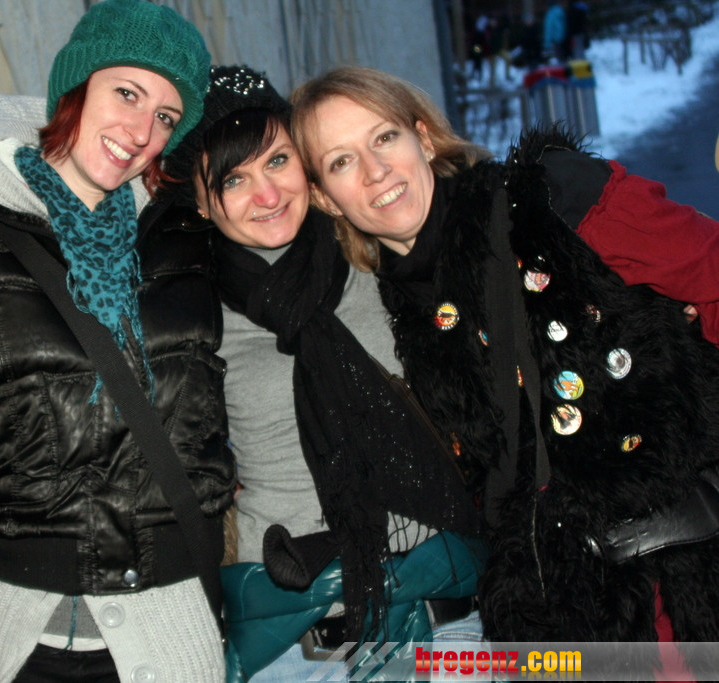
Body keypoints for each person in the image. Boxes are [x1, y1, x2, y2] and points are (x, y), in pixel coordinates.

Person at [290, 65, 719, 644]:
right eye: (342, 161)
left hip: (688, 578)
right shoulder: (393, 311)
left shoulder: (549, 201)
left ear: (423, 137)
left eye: (385, 137)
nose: (375, 171)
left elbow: (710, 270)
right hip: (562, 617)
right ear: (325, 198)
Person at [0, 2, 235, 681]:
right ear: (76, 85)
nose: (140, 131)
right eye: (127, 93)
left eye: (165, 116)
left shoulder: (184, 233)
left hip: (170, 618)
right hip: (15, 625)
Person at [149, 65, 486, 681]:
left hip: (444, 614)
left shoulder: (377, 255)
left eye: (277, 161)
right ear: (197, 200)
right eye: (233, 179)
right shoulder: (186, 318)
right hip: (292, 632)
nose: (267, 195)